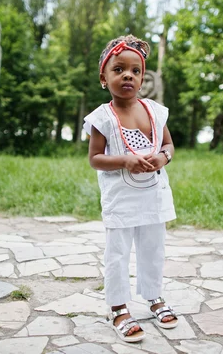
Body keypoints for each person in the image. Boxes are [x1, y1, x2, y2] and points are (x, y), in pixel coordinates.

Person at [83, 35, 178, 343]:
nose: (128, 75)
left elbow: (168, 145)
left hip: (153, 195)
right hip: (121, 199)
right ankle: (119, 307)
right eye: (119, 69)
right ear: (103, 76)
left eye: (135, 71)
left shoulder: (154, 111)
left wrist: (162, 156)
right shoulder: (102, 118)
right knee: (118, 253)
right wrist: (124, 160)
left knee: (153, 249)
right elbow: (95, 159)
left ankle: (154, 297)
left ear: (141, 78)